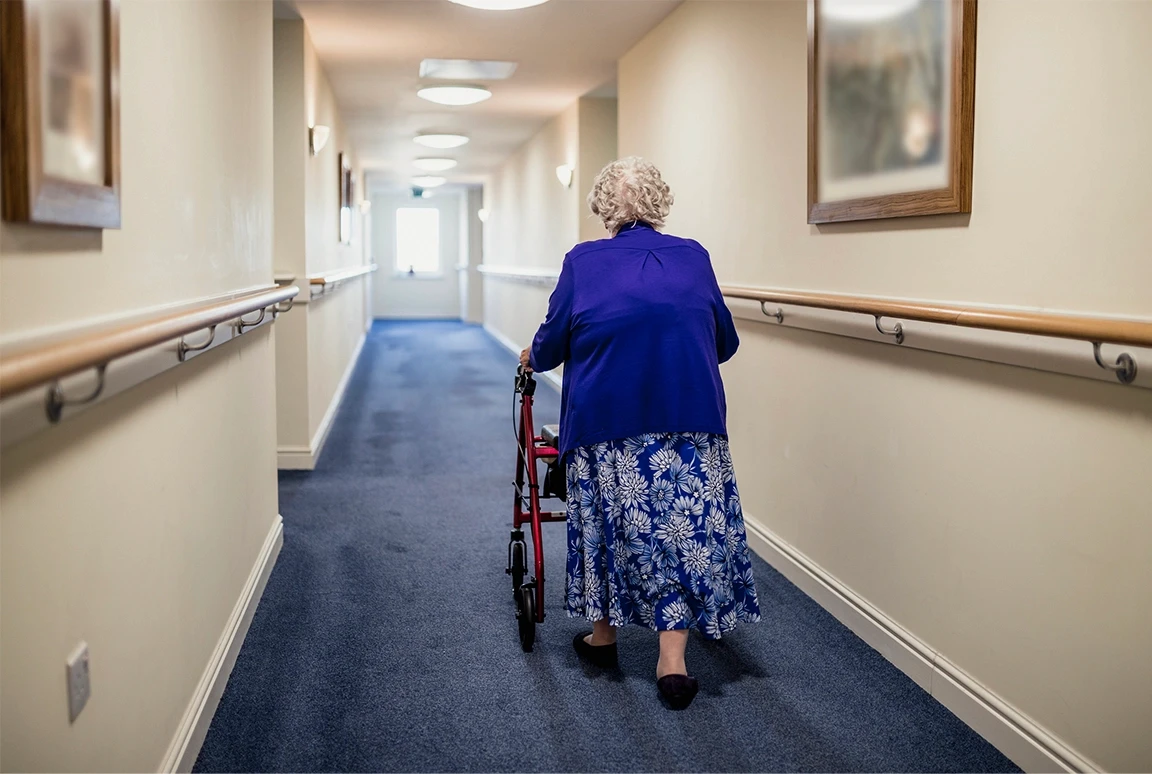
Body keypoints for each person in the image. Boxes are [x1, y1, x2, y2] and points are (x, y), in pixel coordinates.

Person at [519, 157, 760, 710]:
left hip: (608, 422)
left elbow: (553, 344)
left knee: (609, 520)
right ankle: (672, 661)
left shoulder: (583, 261)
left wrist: (537, 354)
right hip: (690, 417)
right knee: (682, 530)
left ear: (606, 209)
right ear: (659, 202)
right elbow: (724, 341)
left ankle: (604, 637)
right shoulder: (694, 257)